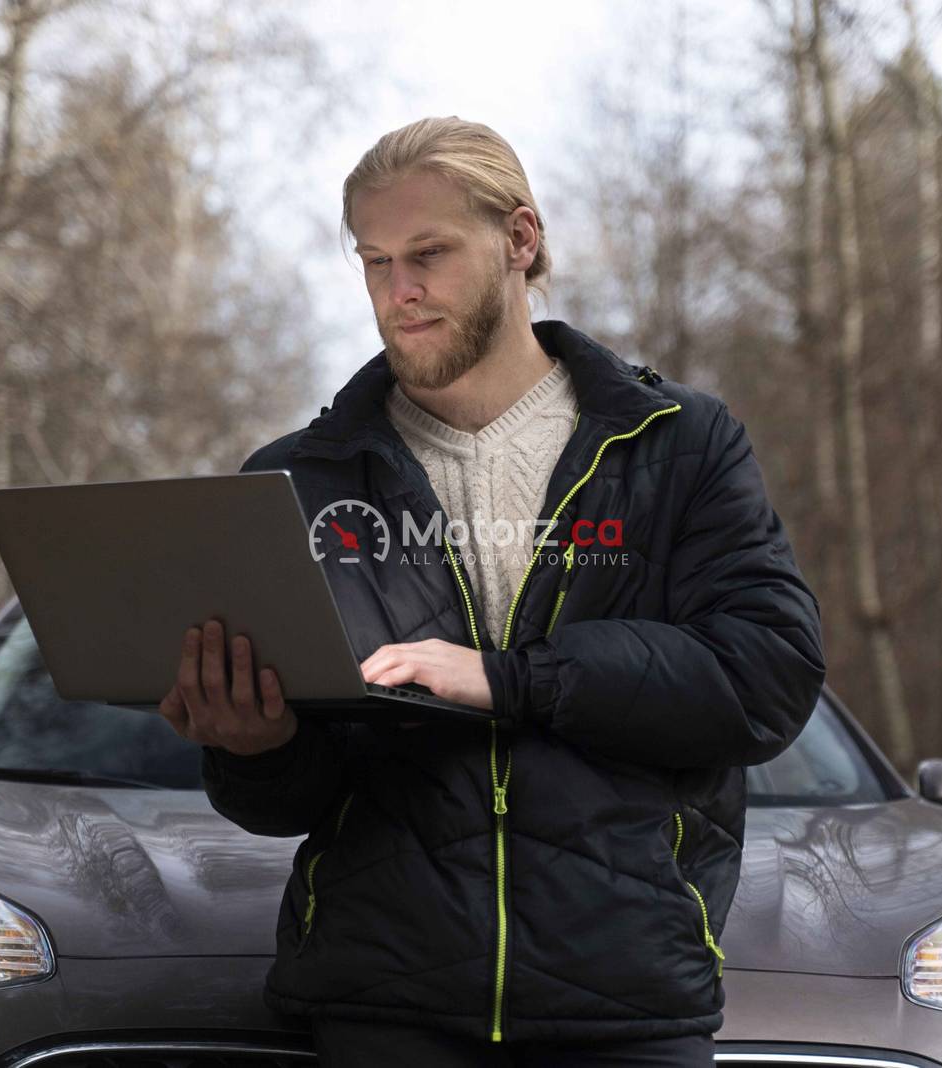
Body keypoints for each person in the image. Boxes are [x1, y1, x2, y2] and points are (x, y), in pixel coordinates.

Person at [158, 116, 826, 1067]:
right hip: (383, 1006)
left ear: (519, 239)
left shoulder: (679, 445)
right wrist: (255, 747)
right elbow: (289, 803)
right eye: (376, 261)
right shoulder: (297, 480)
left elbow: (766, 677)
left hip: (628, 1003)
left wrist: (511, 679)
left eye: (428, 253)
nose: (400, 292)